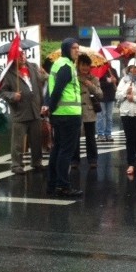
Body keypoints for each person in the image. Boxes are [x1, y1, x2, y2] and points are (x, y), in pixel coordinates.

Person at [0, 49, 47, 174]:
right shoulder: (8, 73)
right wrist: (13, 95)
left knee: (36, 140)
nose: (22, 57)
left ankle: (37, 162)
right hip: (20, 111)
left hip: (35, 109)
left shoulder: (34, 67)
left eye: (23, 54)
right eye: (18, 55)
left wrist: (43, 103)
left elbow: (42, 82)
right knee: (18, 142)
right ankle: (16, 165)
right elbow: (2, 92)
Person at [46, 38, 83, 197]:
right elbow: (57, 90)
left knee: (58, 150)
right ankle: (63, 185)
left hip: (61, 115)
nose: (77, 51)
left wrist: (50, 109)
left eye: (78, 48)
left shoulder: (59, 63)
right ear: (66, 49)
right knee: (65, 152)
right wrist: (51, 108)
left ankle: (53, 183)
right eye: (74, 48)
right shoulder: (66, 66)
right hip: (68, 115)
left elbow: (51, 89)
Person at [73, 53, 101, 168]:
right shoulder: (73, 78)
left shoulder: (94, 79)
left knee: (90, 137)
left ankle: (93, 159)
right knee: (75, 137)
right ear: (78, 65)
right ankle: (74, 160)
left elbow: (100, 94)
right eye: (83, 65)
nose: (85, 68)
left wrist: (91, 86)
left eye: (87, 65)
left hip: (89, 111)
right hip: (75, 110)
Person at [97, 64, 118, 142]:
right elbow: (98, 84)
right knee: (101, 116)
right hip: (101, 97)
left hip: (111, 96)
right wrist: (108, 81)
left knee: (109, 117)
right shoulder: (99, 71)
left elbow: (117, 82)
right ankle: (100, 134)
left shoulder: (113, 70)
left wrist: (115, 80)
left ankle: (108, 133)